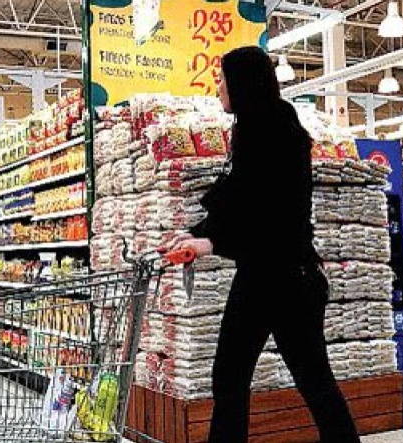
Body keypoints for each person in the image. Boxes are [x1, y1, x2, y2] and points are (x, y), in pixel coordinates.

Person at [166, 46, 361, 443]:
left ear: (243, 83)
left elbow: (266, 212)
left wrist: (210, 242)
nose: (218, 87)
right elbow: (239, 197)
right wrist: (197, 232)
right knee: (290, 380)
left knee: (248, 377)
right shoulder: (263, 124)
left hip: (280, 277)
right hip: (275, 274)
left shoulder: (267, 131)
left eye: (223, 79)